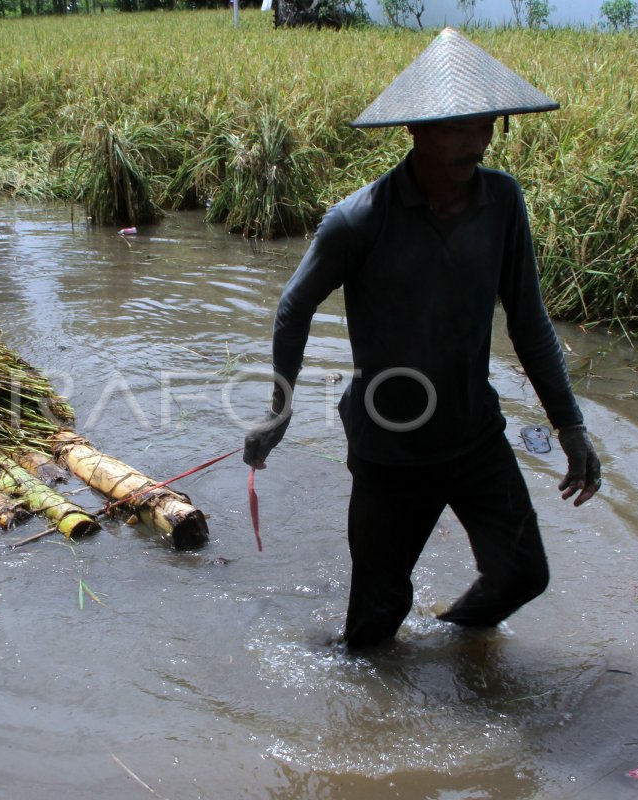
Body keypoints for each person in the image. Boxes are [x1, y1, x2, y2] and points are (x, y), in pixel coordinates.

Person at [242, 28, 602, 651]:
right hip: (391, 448)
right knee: (375, 622)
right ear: (415, 130)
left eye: (486, 123)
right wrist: (279, 411)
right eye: (457, 127)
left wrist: (570, 426)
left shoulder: (502, 204)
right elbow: (294, 305)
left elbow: (529, 319)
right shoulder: (361, 219)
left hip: (474, 436)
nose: (476, 140)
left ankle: (450, 638)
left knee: (522, 574)